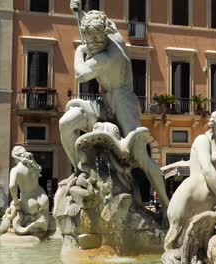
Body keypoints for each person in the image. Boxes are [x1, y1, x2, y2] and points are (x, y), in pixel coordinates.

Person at [60, 0, 169, 209]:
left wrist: (79, 51)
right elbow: (98, 22)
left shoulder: (111, 55)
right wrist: (80, 11)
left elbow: (81, 74)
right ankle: (80, 169)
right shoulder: (112, 35)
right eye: (87, 38)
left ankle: (165, 203)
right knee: (66, 123)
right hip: (103, 101)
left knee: (141, 156)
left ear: (103, 35)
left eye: (94, 39)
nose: (90, 44)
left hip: (123, 103)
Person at [164, 109, 216, 250]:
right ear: (212, 127)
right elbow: (207, 169)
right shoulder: (202, 140)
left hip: (209, 206)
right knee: (177, 248)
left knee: (201, 250)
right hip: (188, 202)